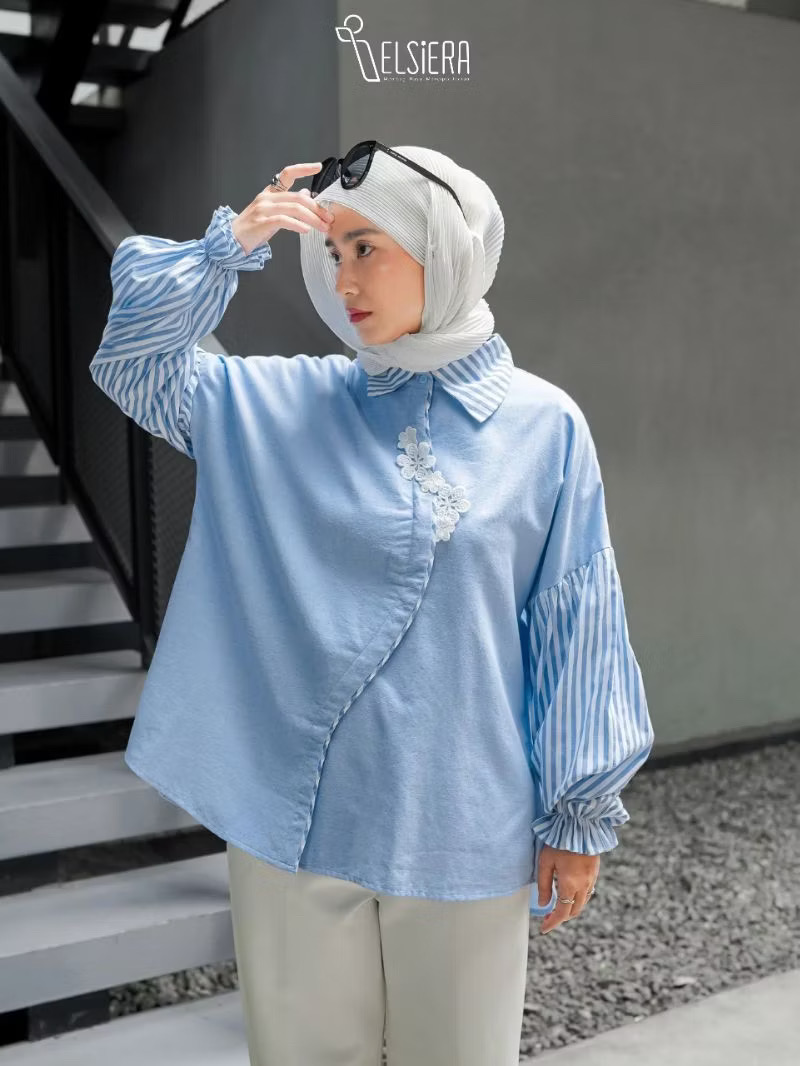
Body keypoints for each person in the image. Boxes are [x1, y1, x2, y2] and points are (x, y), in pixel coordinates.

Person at [89, 142, 655, 1066]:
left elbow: (575, 622)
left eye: (368, 248)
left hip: (461, 820)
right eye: (332, 250)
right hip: (291, 824)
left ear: (443, 249)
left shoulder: (544, 426)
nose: (343, 279)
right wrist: (228, 247)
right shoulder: (277, 405)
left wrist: (578, 814)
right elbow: (135, 364)